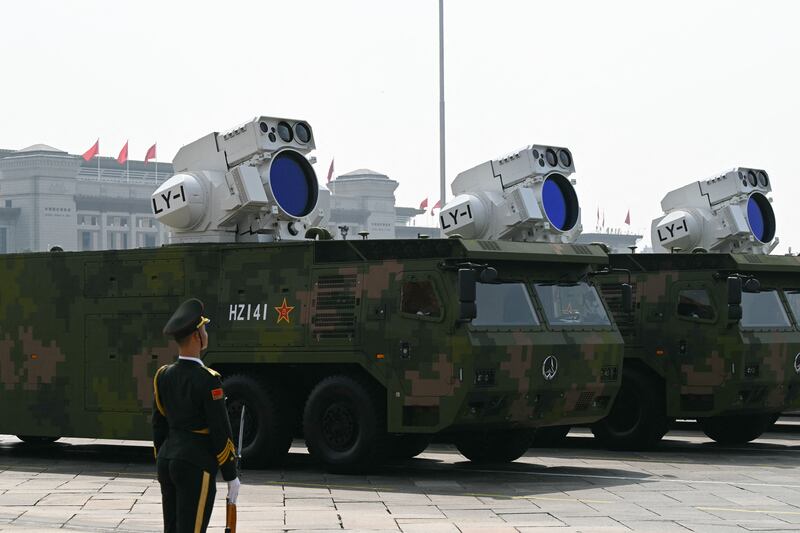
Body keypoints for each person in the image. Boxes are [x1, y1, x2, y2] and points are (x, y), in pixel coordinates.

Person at [152, 298, 240, 533]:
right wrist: (231, 474)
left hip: (167, 461)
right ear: (196, 337)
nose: (206, 333)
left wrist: (162, 456)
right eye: (204, 329)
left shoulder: (163, 375)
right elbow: (220, 430)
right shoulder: (208, 379)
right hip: (195, 463)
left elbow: (158, 424)